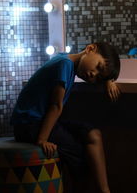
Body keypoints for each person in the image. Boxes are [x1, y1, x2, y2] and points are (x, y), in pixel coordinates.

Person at [10, 42, 121, 193]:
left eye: (99, 77)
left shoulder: (65, 60)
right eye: (98, 67)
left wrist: (108, 79)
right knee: (80, 158)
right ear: (90, 48)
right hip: (29, 124)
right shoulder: (65, 64)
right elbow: (56, 106)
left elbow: (56, 106)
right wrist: (42, 140)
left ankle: (105, 190)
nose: (94, 75)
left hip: (36, 121)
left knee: (92, 133)